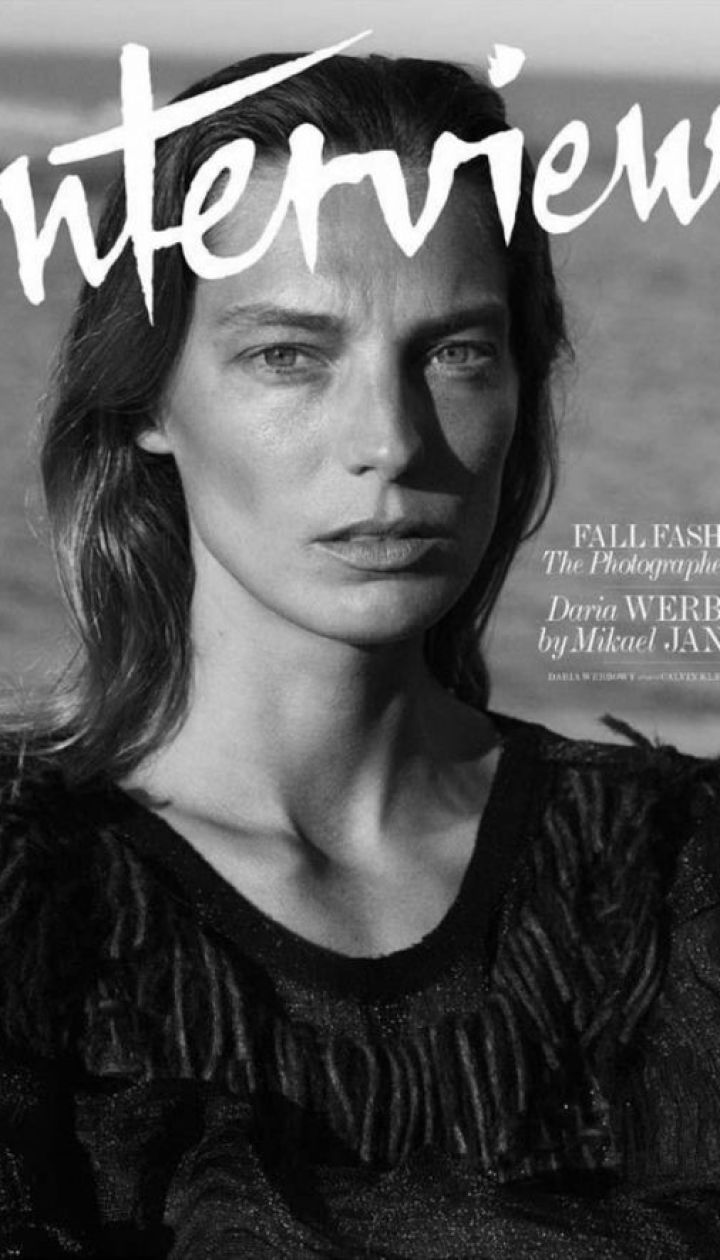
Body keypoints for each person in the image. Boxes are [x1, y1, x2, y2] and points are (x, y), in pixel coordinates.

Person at [0, 50, 719, 1259]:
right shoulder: (33, 902)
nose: (390, 440)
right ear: (145, 398)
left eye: (457, 352)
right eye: (289, 353)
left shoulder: (670, 872)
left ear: (525, 383)